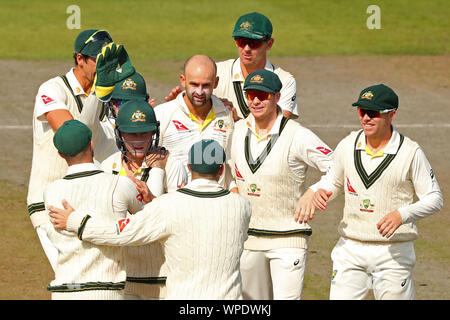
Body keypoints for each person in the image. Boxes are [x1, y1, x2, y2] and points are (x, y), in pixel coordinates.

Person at [49, 139, 252, 300]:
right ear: (221, 170)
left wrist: (77, 222)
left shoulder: (168, 206)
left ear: (189, 167)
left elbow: (122, 234)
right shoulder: (242, 206)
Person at [295, 84, 444, 300]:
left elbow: (435, 198)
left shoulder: (410, 152)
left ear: (391, 114)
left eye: (373, 113)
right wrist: (315, 190)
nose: (365, 118)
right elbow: (333, 181)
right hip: (350, 248)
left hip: (393, 252)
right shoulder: (348, 144)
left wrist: (401, 215)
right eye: (361, 111)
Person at [27, 29, 135, 272]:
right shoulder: (52, 89)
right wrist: (100, 93)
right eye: (98, 59)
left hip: (93, 204)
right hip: (51, 205)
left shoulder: (110, 95)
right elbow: (73, 137)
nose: (103, 67)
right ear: (79, 59)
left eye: (108, 60)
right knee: (72, 278)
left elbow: (116, 148)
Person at [229, 69, 332, 300]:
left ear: (276, 97)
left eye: (262, 95)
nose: (255, 100)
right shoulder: (236, 131)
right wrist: (232, 188)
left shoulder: (297, 135)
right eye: (251, 94)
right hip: (248, 240)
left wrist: (314, 191)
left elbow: (339, 167)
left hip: (288, 238)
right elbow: (225, 168)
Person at [41, 120, 147, 299]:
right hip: (108, 293)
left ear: (60, 154)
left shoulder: (50, 192)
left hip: (64, 293)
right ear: (91, 145)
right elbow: (149, 218)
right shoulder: (119, 184)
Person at [102, 99, 188, 299]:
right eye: (131, 134)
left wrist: (155, 203)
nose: (138, 140)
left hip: (163, 276)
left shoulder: (171, 165)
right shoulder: (106, 167)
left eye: (144, 133)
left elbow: (181, 219)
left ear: (154, 133)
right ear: (120, 134)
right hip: (122, 275)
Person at [164, 12, 298, 121]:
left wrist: (236, 122)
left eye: (254, 43)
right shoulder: (216, 72)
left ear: (269, 44)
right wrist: (180, 106)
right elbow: (196, 114)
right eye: (241, 41)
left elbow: (279, 128)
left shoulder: (284, 80)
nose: (246, 49)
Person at [154, 55, 234, 186]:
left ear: (216, 82)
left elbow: (231, 167)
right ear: (183, 80)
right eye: (194, 84)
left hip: (214, 201)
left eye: (206, 85)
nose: (200, 91)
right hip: (173, 202)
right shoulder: (162, 114)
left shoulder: (227, 116)